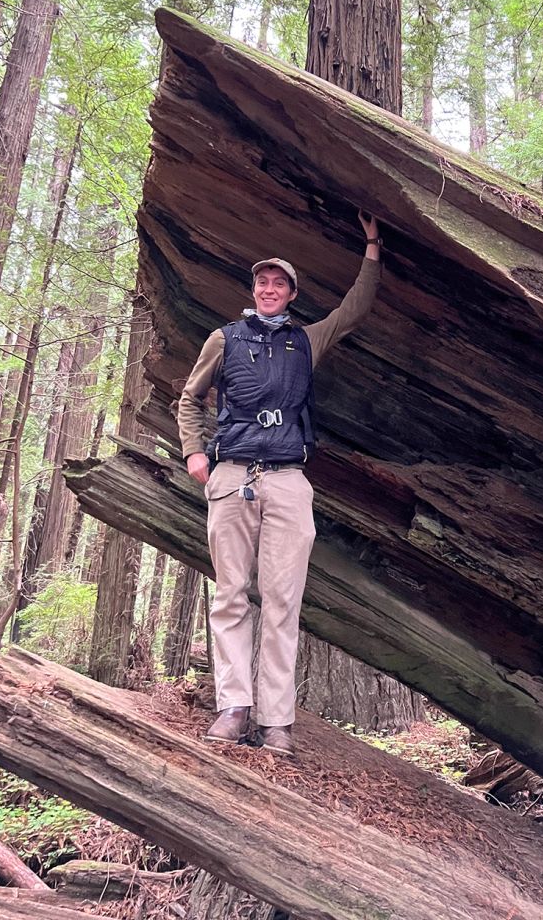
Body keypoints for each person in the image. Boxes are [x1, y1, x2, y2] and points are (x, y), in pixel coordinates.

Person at [176, 211, 382, 754]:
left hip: (290, 480)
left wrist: (372, 245)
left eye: (279, 284)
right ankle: (232, 707)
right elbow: (190, 397)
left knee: (283, 600)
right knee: (230, 596)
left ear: (291, 293)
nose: (269, 289)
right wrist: (196, 453)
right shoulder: (224, 338)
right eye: (262, 282)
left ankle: (275, 722)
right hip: (232, 475)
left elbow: (355, 309)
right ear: (254, 290)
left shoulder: (308, 341)